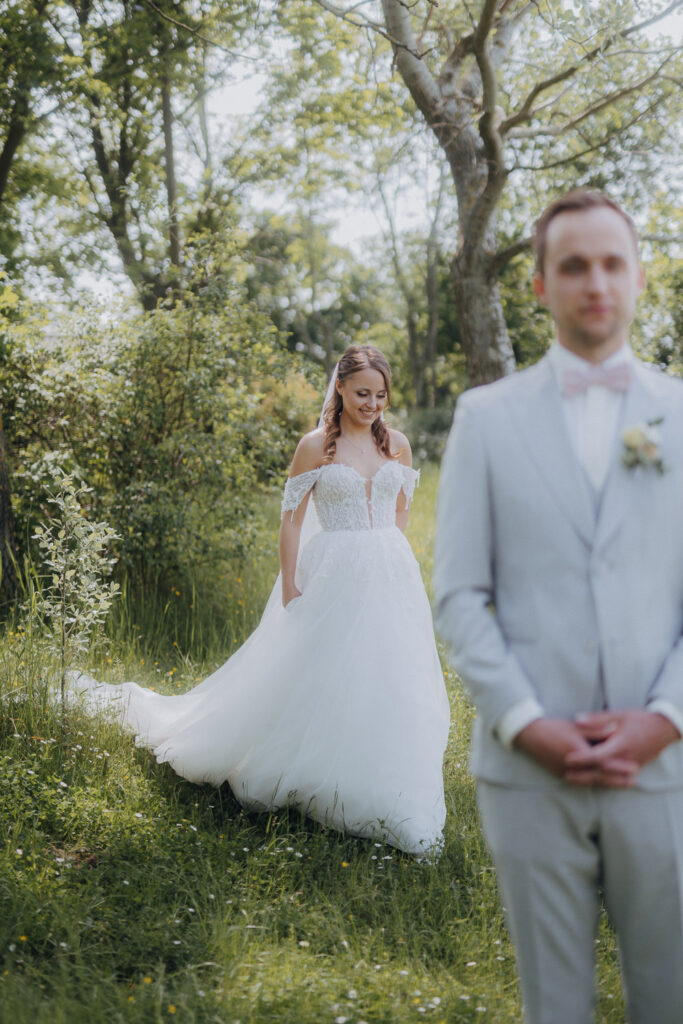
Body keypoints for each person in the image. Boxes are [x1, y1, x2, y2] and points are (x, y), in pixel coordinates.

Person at [434, 189, 683, 1022]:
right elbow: (462, 593)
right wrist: (522, 721)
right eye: (571, 265)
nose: (594, 282)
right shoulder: (485, 418)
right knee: (555, 1005)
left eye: (611, 262)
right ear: (537, 284)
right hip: (526, 773)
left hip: (666, 768)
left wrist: (665, 717)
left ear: (639, 275)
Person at [70, 344, 450, 856]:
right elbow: (291, 521)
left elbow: (402, 511)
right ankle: (309, 765)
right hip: (332, 573)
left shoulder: (397, 444)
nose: (373, 403)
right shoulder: (316, 446)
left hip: (389, 574)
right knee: (323, 670)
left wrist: (385, 551)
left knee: (388, 674)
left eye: (381, 395)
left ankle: (382, 779)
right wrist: (291, 582)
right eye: (363, 393)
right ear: (339, 388)